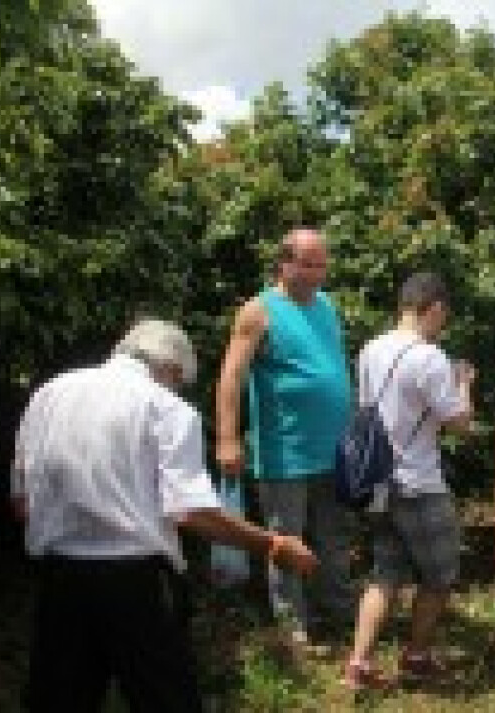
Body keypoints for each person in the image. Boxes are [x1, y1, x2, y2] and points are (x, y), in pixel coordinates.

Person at [12, 319, 318, 713]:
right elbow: (191, 512)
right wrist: (272, 543)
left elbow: (23, 503)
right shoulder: (165, 407)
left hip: (59, 578)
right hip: (134, 580)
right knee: (165, 697)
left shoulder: (49, 395)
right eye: (179, 381)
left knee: (57, 698)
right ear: (172, 370)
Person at [214, 228, 356, 647]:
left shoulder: (326, 304)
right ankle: (292, 628)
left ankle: (337, 610)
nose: (317, 272)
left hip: (333, 448)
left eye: (322, 264)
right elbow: (232, 375)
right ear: (284, 263)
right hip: (285, 451)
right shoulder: (259, 312)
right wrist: (227, 437)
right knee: (285, 540)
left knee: (334, 536)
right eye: (309, 264)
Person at [343, 272, 476, 691]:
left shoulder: (370, 349)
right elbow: (457, 423)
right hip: (419, 482)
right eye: (443, 315)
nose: (443, 323)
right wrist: (465, 386)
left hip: (379, 479)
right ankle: (416, 657)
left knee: (385, 572)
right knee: (440, 575)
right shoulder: (429, 357)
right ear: (433, 308)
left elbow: (367, 408)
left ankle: (358, 664)